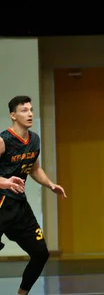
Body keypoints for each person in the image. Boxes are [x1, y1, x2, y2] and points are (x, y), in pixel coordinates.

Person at [0, 95, 67, 295]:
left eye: (31, 109)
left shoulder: (34, 139)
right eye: (24, 110)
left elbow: (34, 169)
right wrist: (4, 182)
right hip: (0, 203)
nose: (29, 114)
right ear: (13, 115)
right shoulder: (3, 141)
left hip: (19, 207)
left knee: (40, 254)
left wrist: (50, 184)